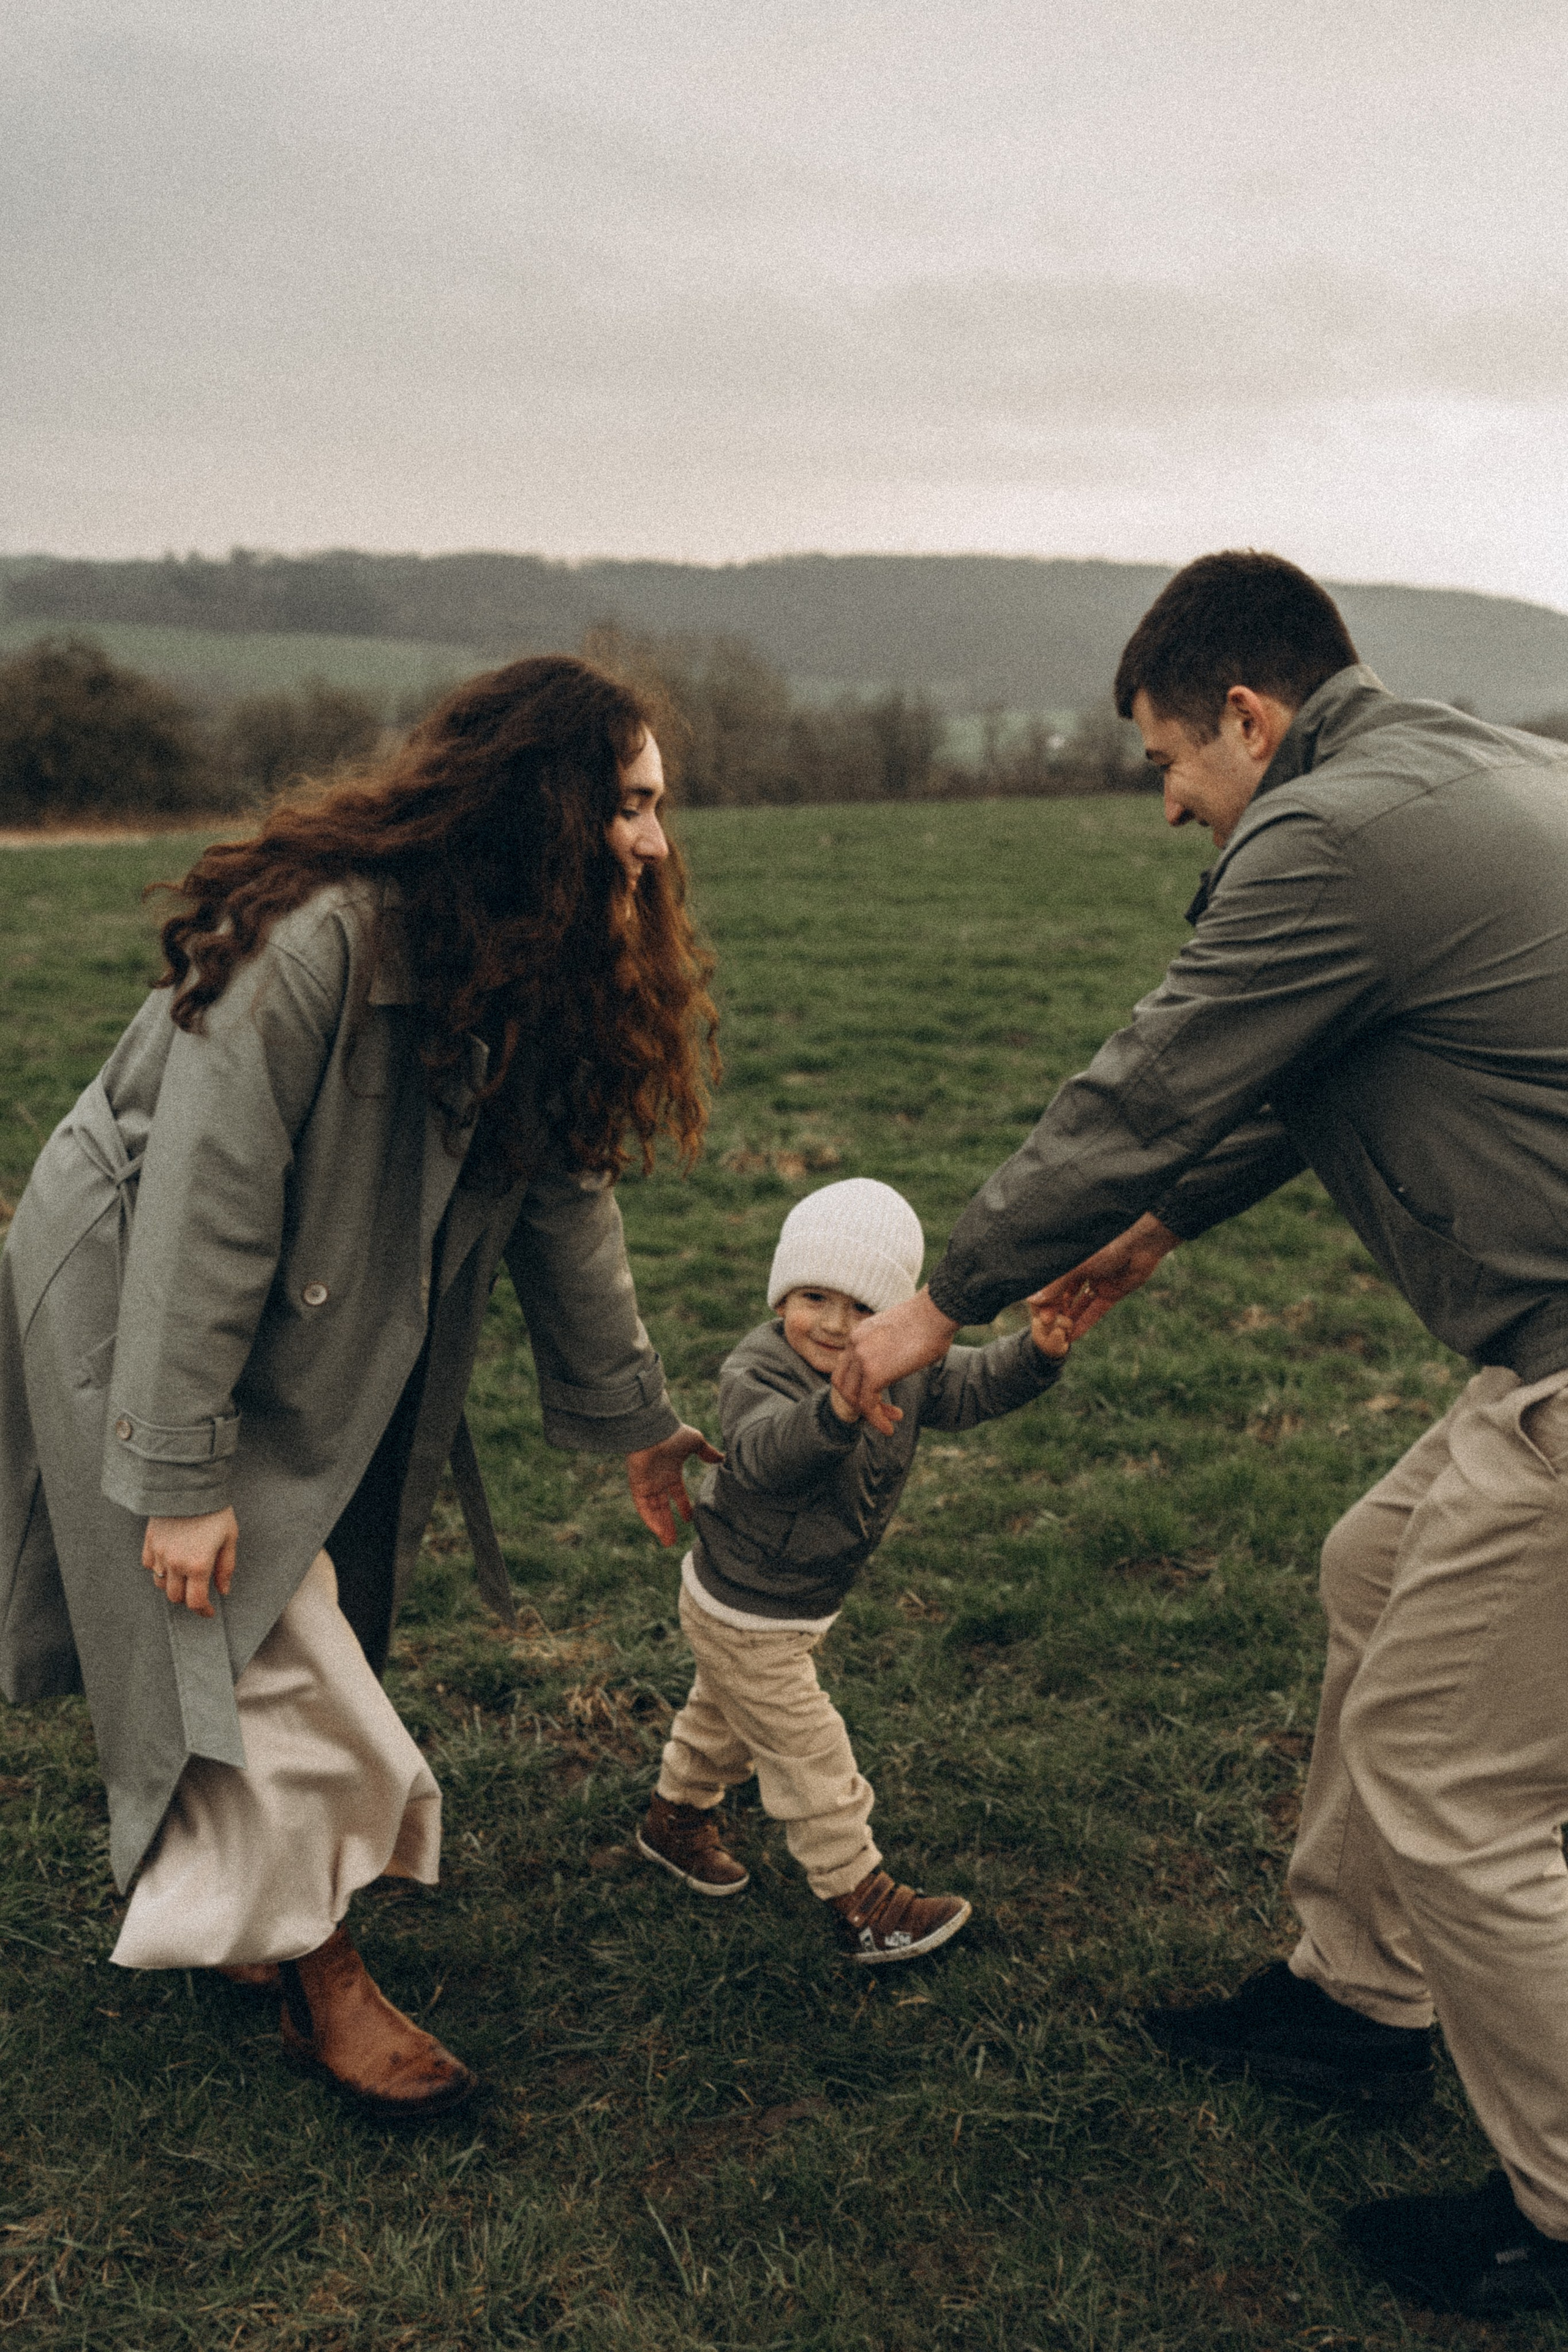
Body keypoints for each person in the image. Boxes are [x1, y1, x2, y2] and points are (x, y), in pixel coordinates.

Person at [833, 551, 1568, 2315]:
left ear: (1250, 716)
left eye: (1169, 762)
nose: (1171, 806)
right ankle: (1357, 1999)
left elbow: (1158, 1076)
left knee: (1453, 1781)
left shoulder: (1320, 838)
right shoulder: (1458, 769)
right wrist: (1161, 1227)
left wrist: (950, 1297)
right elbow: (1316, 1068)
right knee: (1371, 1569)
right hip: (1538, 1345)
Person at [0, 654, 721, 2120]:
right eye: (631, 804)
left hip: (318, 1299)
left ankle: (247, 1919)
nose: (655, 839)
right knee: (249, 1630)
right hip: (141, 1283)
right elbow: (206, 1202)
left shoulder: (537, 956)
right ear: (544, 806)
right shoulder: (315, 940)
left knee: (282, 1610)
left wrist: (637, 1416)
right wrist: (184, 1466)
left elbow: (564, 1200)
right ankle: (326, 1974)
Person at [635, 1177, 1070, 1961]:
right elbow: (766, 1457)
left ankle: (674, 1819)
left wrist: (1034, 1354)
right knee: (807, 1751)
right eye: (812, 1297)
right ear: (779, 1297)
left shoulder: (906, 1361)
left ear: (898, 1314)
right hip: (744, 1604)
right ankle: (861, 1896)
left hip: (798, 1598)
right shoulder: (758, 1371)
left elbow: (969, 1388)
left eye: (865, 1307)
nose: (835, 1326)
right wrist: (835, 1411)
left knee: (727, 1720)